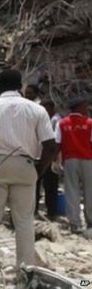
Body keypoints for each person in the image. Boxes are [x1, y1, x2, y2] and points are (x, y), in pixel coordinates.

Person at [0, 69, 56, 281]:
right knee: (24, 220)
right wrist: (38, 171)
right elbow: (49, 145)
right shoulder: (37, 110)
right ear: (20, 86)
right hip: (26, 165)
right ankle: (25, 271)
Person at [56, 97, 92, 234]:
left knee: (72, 191)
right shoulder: (89, 123)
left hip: (70, 160)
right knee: (90, 191)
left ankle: (75, 223)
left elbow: (57, 144)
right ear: (79, 107)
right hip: (88, 160)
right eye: (85, 106)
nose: (86, 109)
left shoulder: (62, 123)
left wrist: (56, 160)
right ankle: (90, 222)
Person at [36, 100, 60, 220]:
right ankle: (35, 209)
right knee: (36, 184)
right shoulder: (40, 120)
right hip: (38, 155)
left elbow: (55, 141)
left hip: (49, 156)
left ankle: (51, 212)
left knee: (50, 185)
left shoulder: (55, 120)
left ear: (52, 109)